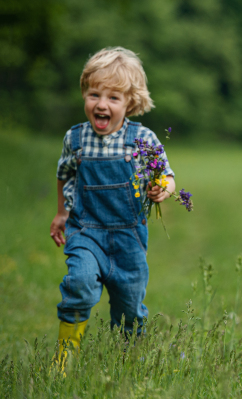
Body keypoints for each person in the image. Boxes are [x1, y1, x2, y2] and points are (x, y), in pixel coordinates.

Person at [49, 47, 175, 363]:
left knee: (129, 307)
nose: (101, 104)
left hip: (128, 239)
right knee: (77, 284)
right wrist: (62, 213)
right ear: (84, 95)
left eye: (113, 98)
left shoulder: (143, 139)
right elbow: (64, 174)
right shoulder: (75, 138)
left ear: (130, 103)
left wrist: (162, 189)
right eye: (94, 94)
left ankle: (126, 361)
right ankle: (63, 359)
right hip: (86, 231)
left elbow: (168, 177)